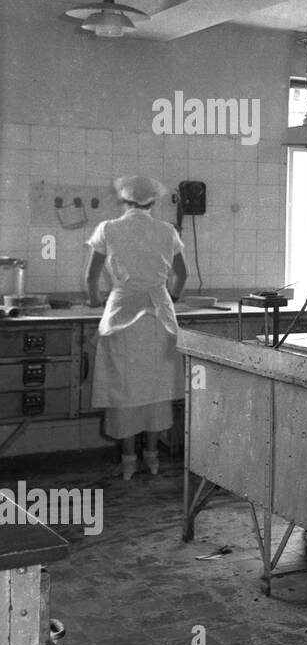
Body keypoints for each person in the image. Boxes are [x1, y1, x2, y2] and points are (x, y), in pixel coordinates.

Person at [84, 176, 187, 480]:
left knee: (124, 388)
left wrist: (94, 300)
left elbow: (91, 278)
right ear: (153, 202)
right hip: (159, 316)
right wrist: (171, 298)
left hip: (122, 314)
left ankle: (129, 461)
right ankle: (153, 458)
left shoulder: (109, 228)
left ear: (125, 201)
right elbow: (182, 274)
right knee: (156, 388)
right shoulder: (167, 231)